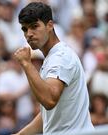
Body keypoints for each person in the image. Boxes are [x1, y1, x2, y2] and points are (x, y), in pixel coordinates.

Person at [13, 2, 94, 135]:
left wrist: (26, 64)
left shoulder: (60, 57)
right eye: (25, 29)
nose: (29, 34)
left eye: (34, 26)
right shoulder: (52, 58)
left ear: (50, 25)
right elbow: (48, 115)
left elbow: (49, 100)